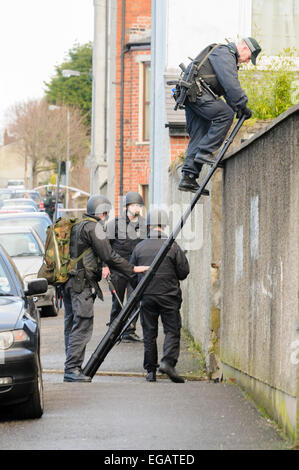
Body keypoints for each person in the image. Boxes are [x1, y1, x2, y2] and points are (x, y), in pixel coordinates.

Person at [62, 194, 148, 382]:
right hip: (80, 284)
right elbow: (109, 255)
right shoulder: (95, 228)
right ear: (101, 212)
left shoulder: (78, 225)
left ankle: (70, 366)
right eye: (106, 213)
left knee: (71, 323)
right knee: (82, 323)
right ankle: (72, 369)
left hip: (68, 283)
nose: (107, 216)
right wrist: (132, 268)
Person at [178, 37, 262, 193]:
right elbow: (230, 84)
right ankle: (205, 152)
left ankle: (188, 177)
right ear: (244, 47)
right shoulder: (225, 54)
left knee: (199, 133)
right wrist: (241, 104)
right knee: (225, 116)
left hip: (192, 95)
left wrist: (239, 108)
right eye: (249, 57)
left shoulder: (224, 56)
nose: (247, 61)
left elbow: (225, 90)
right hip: (198, 93)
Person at [130, 208, 190, 383]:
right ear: (164, 225)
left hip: (147, 296)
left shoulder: (139, 247)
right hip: (169, 295)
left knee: (149, 332)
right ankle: (168, 362)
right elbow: (184, 272)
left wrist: (141, 289)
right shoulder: (172, 245)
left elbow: (132, 274)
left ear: (148, 225)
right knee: (172, 329)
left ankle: (150, 371)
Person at [103, 191, 147, 342]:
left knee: (133, 300)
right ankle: (113, 332)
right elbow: (105, 247)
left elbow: (146, 245)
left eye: (139, 206)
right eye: (134, 205)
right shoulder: (114, 225)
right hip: (118, 269)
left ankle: (129, 330)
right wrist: (105, 266)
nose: (137, 208)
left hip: (135, 270)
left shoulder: (143, 224)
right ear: (127, 206)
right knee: (117, 301)